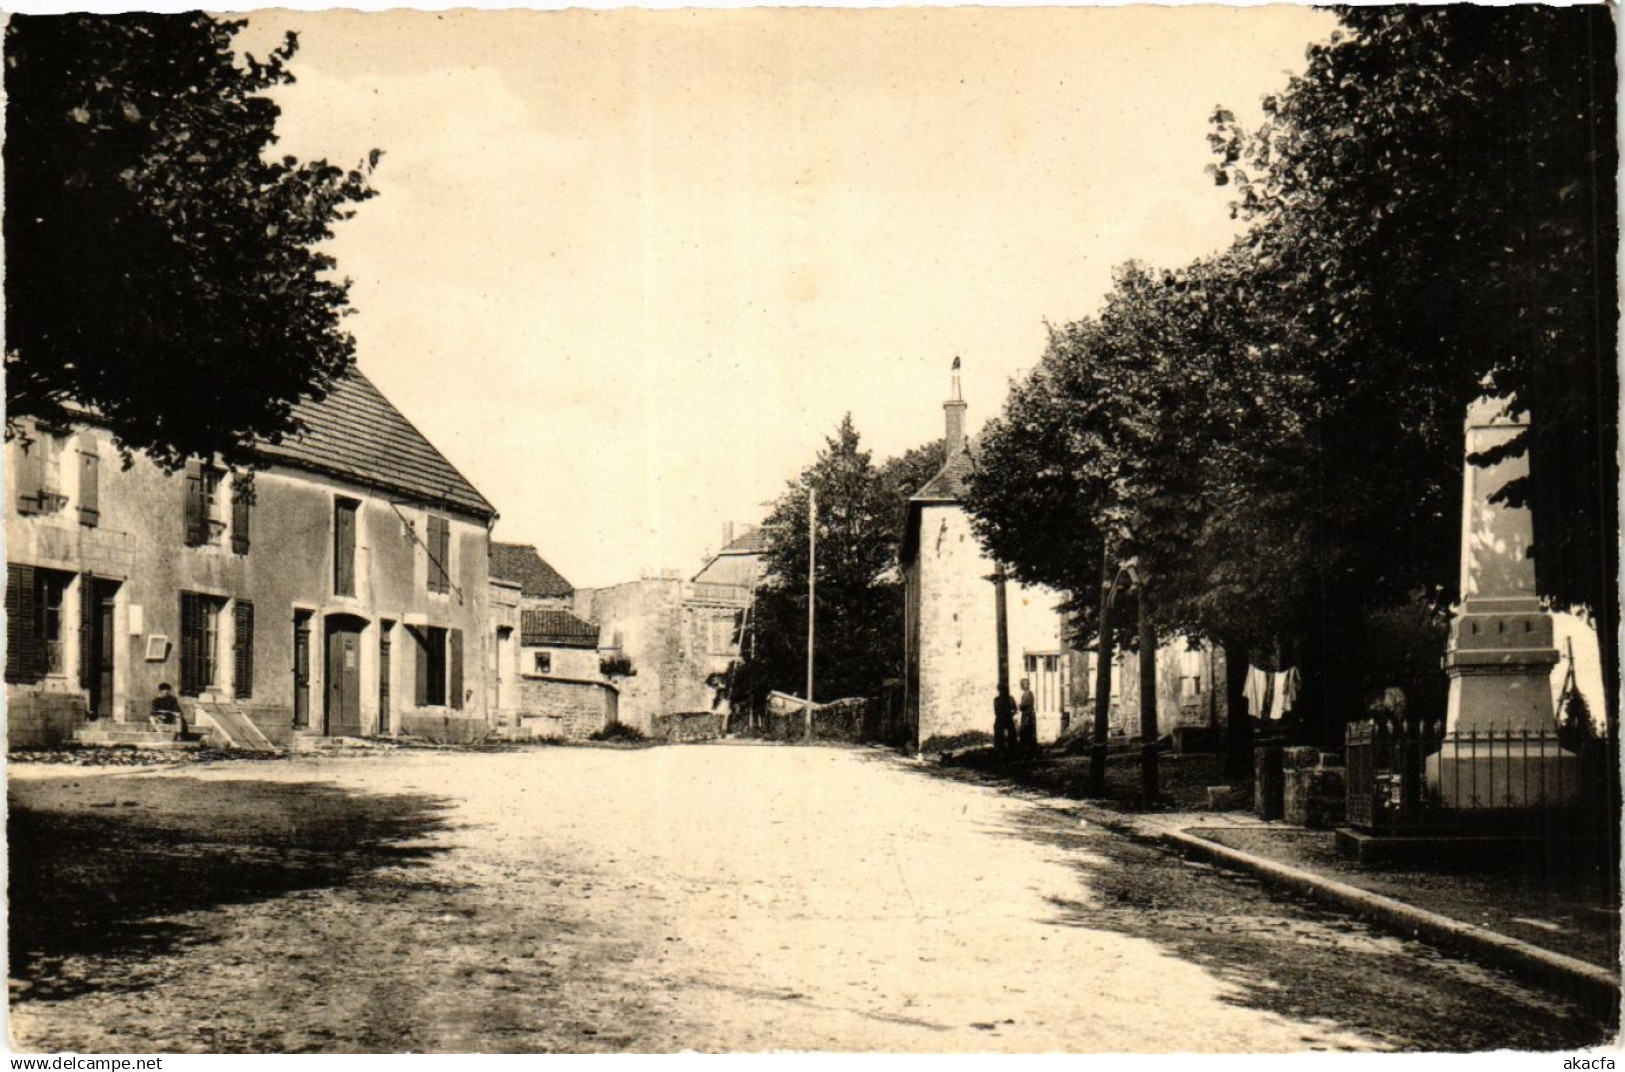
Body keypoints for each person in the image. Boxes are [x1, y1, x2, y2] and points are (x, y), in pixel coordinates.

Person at [993, 685, 1017, 753]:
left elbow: (1014, 709)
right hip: (1003, 718)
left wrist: (1010, 715)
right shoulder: (998, 699)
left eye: (1003, 690)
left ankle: (1010, 748)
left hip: (1005, 718)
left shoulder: (1009, 699)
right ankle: (1001, 748)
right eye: (1001, 690)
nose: (1002, 692)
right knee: (1000, 734)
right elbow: (1014, 710)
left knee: (1011, 734)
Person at [1018, 678, 1038, 753]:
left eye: (1023, 684)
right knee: (1027, 731)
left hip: (1028, 715)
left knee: (1027, 731)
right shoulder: (1026, 694)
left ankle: (1029, 749)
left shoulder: (1028, 694)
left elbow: (1024, 705)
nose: (1022, 686)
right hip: (1027, 714)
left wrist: (1020, 706)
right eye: (1021, 684)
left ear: (1027, 685)